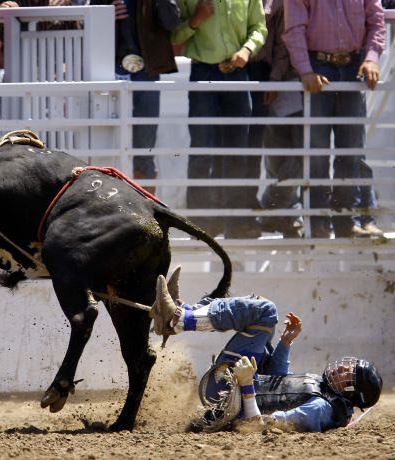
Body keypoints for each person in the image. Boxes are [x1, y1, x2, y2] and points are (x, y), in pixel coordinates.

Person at [150, 270, 383, 432]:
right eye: (348, 365)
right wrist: (285, 344)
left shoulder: (320, 409)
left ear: (351, 391)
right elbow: (277, 382)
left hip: (228, 394)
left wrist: (247, 384)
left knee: (265, 311)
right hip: (239, 385)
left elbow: (257, 424)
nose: (342, 367)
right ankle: (184, 313)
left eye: (348, 373)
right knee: (262, 311)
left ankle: (180, 319)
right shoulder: (325, 394)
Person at [282, 0, 386, 238]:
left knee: (351, 148)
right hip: (318, 67)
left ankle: (346, 220)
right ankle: (320, 221)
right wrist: (305, 70)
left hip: (353, 66)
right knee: (318, 151)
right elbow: (294, 29)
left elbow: (376, 20)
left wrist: (371, 57)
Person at [172, 0, 267, 239]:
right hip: (203, 71)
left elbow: (259, 28)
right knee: (202, 150)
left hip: (237, 73)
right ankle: (202, 225)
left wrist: (247, 50)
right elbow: (173, 35)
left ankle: (234, 222)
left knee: (237, 152)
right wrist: (196, 20)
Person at [89, 0, 180, 193]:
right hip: (108, 67)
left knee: (145, 145)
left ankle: (144, 212)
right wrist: (105, 15)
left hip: (146, 70)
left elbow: (171, 22)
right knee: (106, 141)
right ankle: (107, 207)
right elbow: (85, 19)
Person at [255, 0, 305, 238]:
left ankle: (272, 207)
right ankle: (289, 214)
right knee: (277, 158)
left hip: (299, 81)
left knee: (301, 155)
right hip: (272, 83)